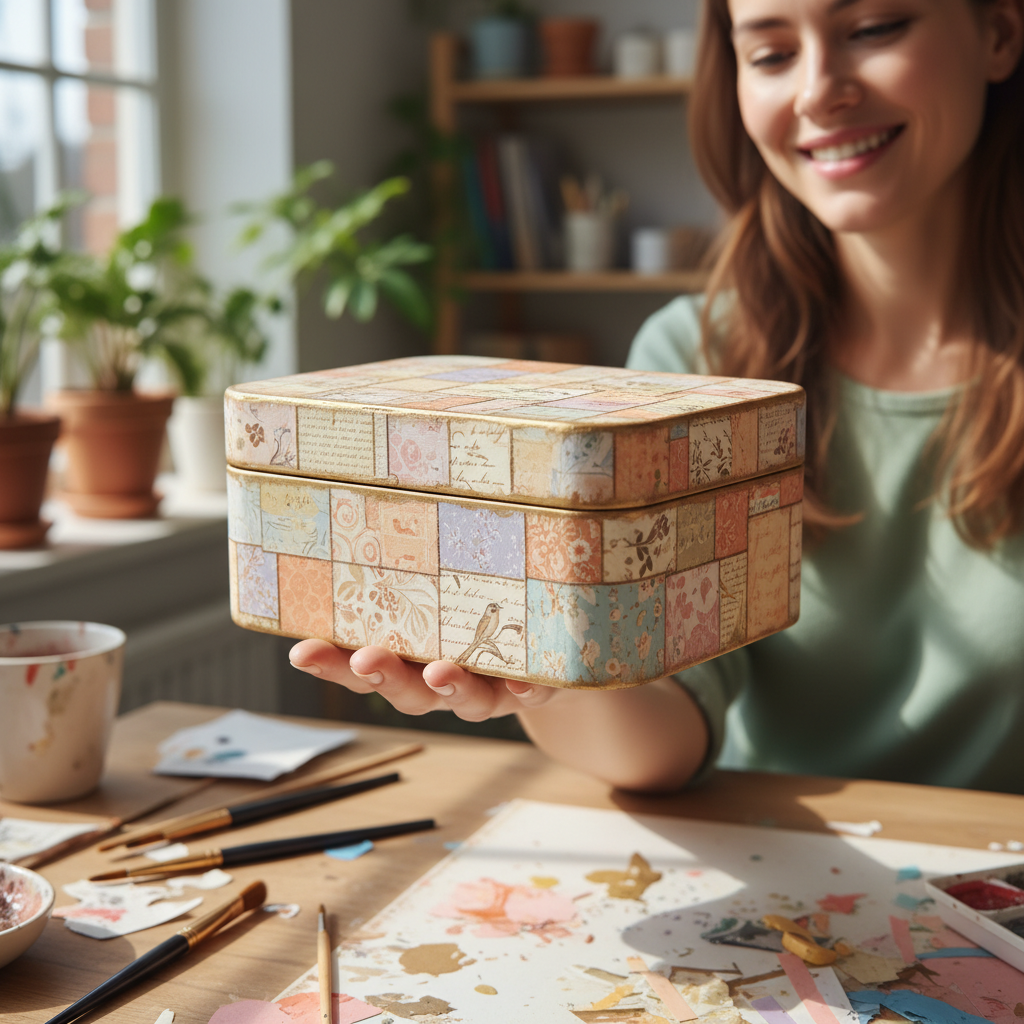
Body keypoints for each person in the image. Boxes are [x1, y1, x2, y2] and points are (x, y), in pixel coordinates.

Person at [290, 0, 1024, 795]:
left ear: (999, 31)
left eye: (875, 28)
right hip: (776, 857)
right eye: (771, 55)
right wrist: (544, 676)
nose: (818, 91)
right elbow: (665, 734)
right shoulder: (692, 365)